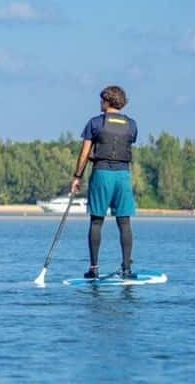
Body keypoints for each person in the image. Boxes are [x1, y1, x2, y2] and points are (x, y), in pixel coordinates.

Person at [70, 85, 139, 280]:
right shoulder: (132, 125)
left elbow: (84, 153)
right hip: (123, 176)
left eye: (102, 100)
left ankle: (93, 268)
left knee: (97, 221)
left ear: (108, 101)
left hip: (102, 175)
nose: (100, 103)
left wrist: (77, 177)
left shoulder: (95, 123)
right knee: (124, 222)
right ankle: (126, 268)